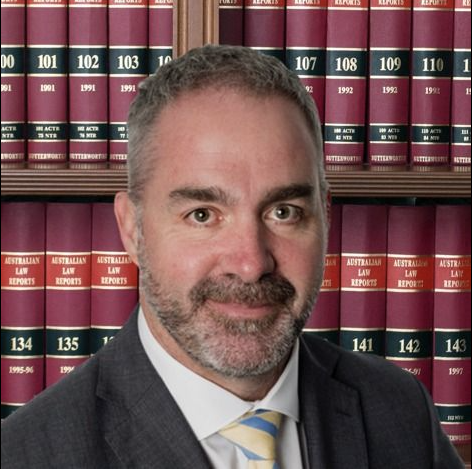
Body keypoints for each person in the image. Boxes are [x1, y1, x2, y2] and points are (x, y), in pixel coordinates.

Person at [1, 45, 464, 469]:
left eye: (284, 212)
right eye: (202, 214)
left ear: (325, 216)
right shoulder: (28, 454)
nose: (250, 263)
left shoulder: (401, 413)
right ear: (132, 230)